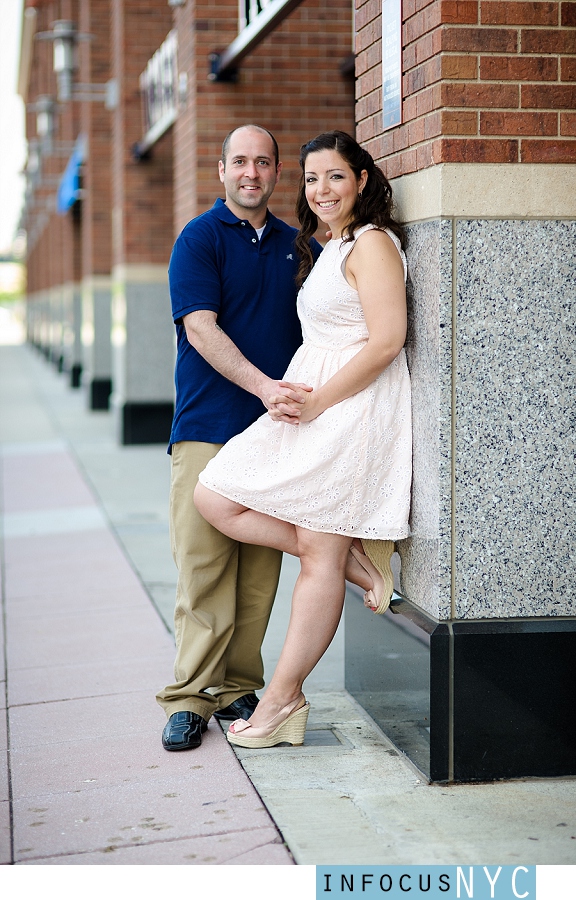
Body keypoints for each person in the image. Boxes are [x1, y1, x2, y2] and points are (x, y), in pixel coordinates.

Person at [194, 130, 412, 750]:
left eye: (336, 177)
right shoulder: (327, 243)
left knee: (315, 555)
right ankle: (356, 564)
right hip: (311, 404)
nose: (321, 190)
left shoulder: (372, 245)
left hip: (350, 407)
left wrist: (320, 400)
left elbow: (386, 341)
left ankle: (282, 700)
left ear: (362, 181)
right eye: (313, 178)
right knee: (215, 496)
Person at [156, 124, 322, 751]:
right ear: (221, 169)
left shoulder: (296, 245)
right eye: (240, 162)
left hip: (277, 436)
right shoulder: (198, 239)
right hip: (207, 428)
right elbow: (200, 327)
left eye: (263, 163)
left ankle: (236, 688)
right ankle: (190, 696)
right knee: (203, 568)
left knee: (258, 575)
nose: (251, 173)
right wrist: (264, 388)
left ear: (277, 173)